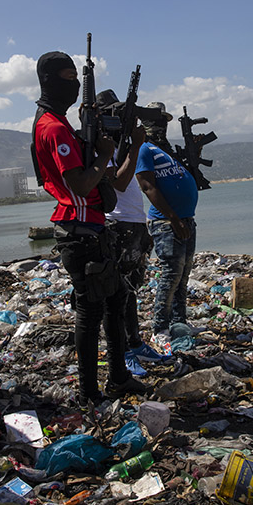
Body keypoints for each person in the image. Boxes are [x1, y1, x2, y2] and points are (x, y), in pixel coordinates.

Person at [31, 51, 147, 403]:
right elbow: (80, 185)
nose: (74, 85)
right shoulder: (52, 127)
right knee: (90, 312)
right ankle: (89, 391)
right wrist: (101, 153)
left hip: (90, 227)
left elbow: (105, 180)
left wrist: (110, 154)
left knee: (114, 302)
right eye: (68, 78)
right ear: (50, 81)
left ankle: (118, 377)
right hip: (79, 229)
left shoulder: (58, 124)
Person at [95, 91, 166, 376]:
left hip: (134, 222)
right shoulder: (99, 146)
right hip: (116, 224)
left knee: (130, 291)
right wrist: (135, 145)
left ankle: (135, 343)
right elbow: (120, 183)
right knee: (117, 294)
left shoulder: (117, 144)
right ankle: (122, 351)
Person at [135, 102, 199, 343]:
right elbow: (147, 186)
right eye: (157, 121)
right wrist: (173, 218)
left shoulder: (167, 150)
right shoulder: (144, 149)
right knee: (170, 274)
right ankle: (159, 327)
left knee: (183, 275)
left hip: (185, 220)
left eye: (164, 122)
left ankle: (178, 322)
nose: (161, 126)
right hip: (166, 222)